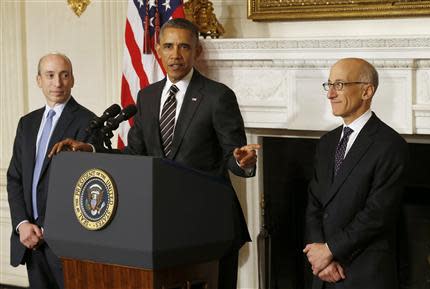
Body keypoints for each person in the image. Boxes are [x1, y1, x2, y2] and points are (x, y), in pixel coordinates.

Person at [49, 18, 260, 289]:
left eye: (184, 47)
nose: (176, 54)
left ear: (197, 52)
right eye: (169, 46)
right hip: (163, 228)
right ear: (158, 50)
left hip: (209, 225)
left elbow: (235, 155)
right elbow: (136, 154)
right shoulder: (147, 97)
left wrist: (244, 162)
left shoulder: (217, 97)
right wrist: (89, 150)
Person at [303, 58, 409, 289]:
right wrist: (319, 256)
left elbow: (377, 214)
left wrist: (330, 251)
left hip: (363, 273)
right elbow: (314, 203)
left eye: (339, 84)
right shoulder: (326, 143)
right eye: (328, 85)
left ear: (366, 91)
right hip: (324, 273)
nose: (330, 94)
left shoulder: (390, 145)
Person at [7, 53, 96, 289]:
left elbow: (85, 187)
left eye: (64, 75)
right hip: (30, 241)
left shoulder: (88, 122)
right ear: (39, 80)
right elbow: (15, 178)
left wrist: (50, 227)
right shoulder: (27, 123)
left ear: (72, 79)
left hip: (65, 242)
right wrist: (22, 224)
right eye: (50, 75)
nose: (57, 83)